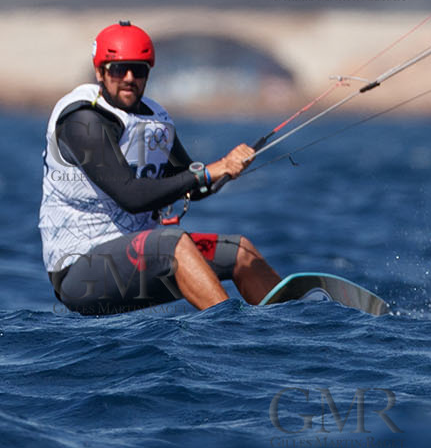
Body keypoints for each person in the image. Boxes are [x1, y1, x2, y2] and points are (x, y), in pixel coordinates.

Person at [40, 21, 276, 314]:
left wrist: (227, 169)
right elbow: (132, 197)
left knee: (241, 252)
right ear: (100, 72)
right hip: (81, 273)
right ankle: (231, 333)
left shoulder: (156, 120)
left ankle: (279, 335)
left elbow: (191, 185)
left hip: (143, 256)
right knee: (173, 244)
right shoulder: (83, 120)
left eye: (138, 70)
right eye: (118, 69)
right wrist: (207, 171)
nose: (128, 78)